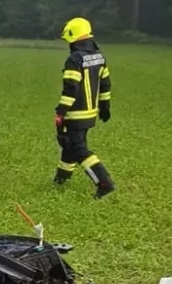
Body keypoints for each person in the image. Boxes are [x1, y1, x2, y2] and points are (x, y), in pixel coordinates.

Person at [53, 17, 115, 199]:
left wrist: (61, 112)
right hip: (90, 113)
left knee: (78, 149)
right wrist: (105, 106)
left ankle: (104, 183)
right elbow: (105, 84)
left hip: (75, 113)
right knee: (70, 144)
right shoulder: (99, 57)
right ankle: (61, 179)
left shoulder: (74, 60)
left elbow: (70, 89)